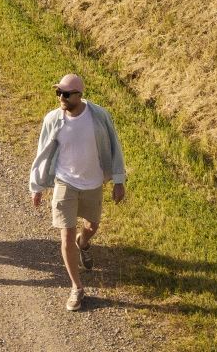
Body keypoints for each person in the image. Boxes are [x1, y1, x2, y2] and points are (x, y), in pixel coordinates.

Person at [28, 73, 127, 311]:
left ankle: (83, 243)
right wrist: (37, 186)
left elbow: (115, 146)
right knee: (66, 236)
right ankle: (77, 287)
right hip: (65, 183)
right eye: (58, 93)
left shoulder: (99, 116)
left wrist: (118, 180)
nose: (61, 98)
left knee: (92, 226)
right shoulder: (53, 119)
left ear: (79, 95)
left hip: (93, 183)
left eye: (66, 94)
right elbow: (42, 152)